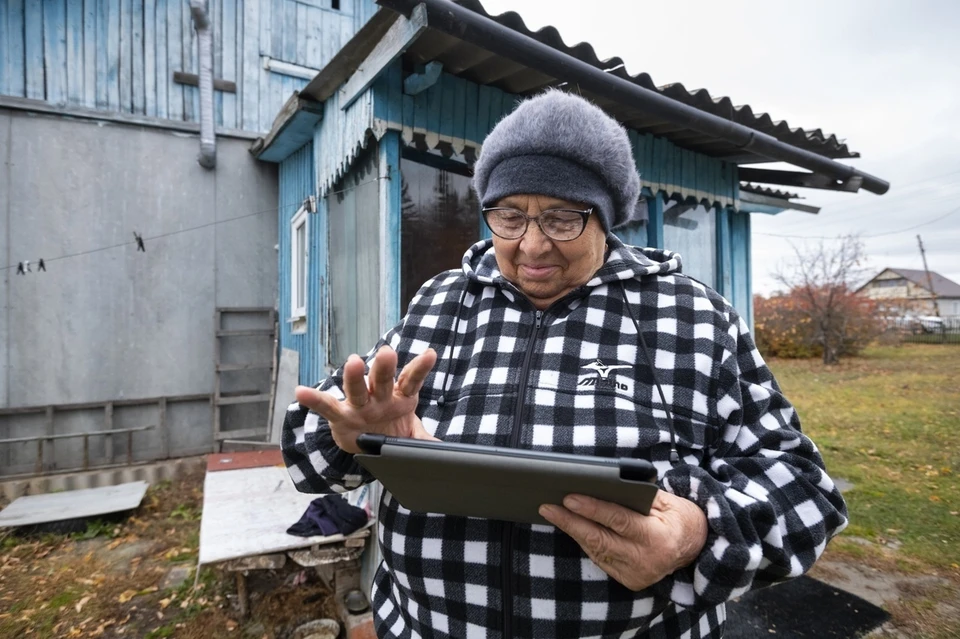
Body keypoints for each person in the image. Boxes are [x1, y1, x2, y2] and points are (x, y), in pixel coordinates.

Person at [282, 90, 848, 639]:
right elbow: (309, 453)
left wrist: (697, 534)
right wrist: (352, 436)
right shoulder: (441, 302)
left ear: (605, 218)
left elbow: (805, 494)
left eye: (560, 218)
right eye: (509, 216)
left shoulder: (691, 317)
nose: (531, 246)